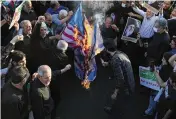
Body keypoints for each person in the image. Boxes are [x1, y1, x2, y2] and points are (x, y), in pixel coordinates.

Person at [101, 46, 135, 117]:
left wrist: (115, 92)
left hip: (126, 86)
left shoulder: (115, 59)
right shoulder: (121, 53)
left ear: (107, 50)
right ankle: (115, 111)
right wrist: (107, 63)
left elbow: (120, 79)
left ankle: (116, 114)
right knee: (122, 100)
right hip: (131, 82)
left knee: (119, 99)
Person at [144, 52, 173, 118]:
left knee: (154, 100)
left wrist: (155, 72)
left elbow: (162, 83)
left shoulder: (166, 70)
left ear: (168, 61)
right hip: (162, 92)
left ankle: (149, 112)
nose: (162, 59)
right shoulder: (168, 68)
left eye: (164, 59)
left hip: (159, 90)